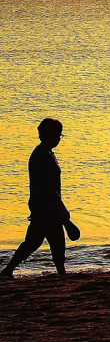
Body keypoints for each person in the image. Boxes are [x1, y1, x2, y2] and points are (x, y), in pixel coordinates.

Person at [1, 118, 78, 277]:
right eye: (57, 135)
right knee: (43, 240)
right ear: (48, 135)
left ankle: (9, 270)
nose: (59, 138)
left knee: (41, 241)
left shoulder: (47, 153)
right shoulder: (41, 155)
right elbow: (47, 187)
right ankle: (8, 270)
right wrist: (62, 211)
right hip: (45, 207)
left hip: (45, 206)